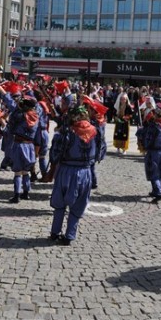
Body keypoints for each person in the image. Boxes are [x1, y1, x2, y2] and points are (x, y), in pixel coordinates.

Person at [49, 105, 97, 245]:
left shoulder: (67, 132)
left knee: (60, 201)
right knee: (79, 203)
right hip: (85, 172)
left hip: (66, 170)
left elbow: (54, 155)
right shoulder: (96, 131)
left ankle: (55, 232)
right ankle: (69, 235)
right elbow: (100, 153)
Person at [140, 104, 161, 204]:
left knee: (153, 172)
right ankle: (155, 190)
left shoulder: (154, 126)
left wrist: (141, 132)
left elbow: (148, 139)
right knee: (160, 173)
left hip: (155, 152)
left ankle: (158, 192)